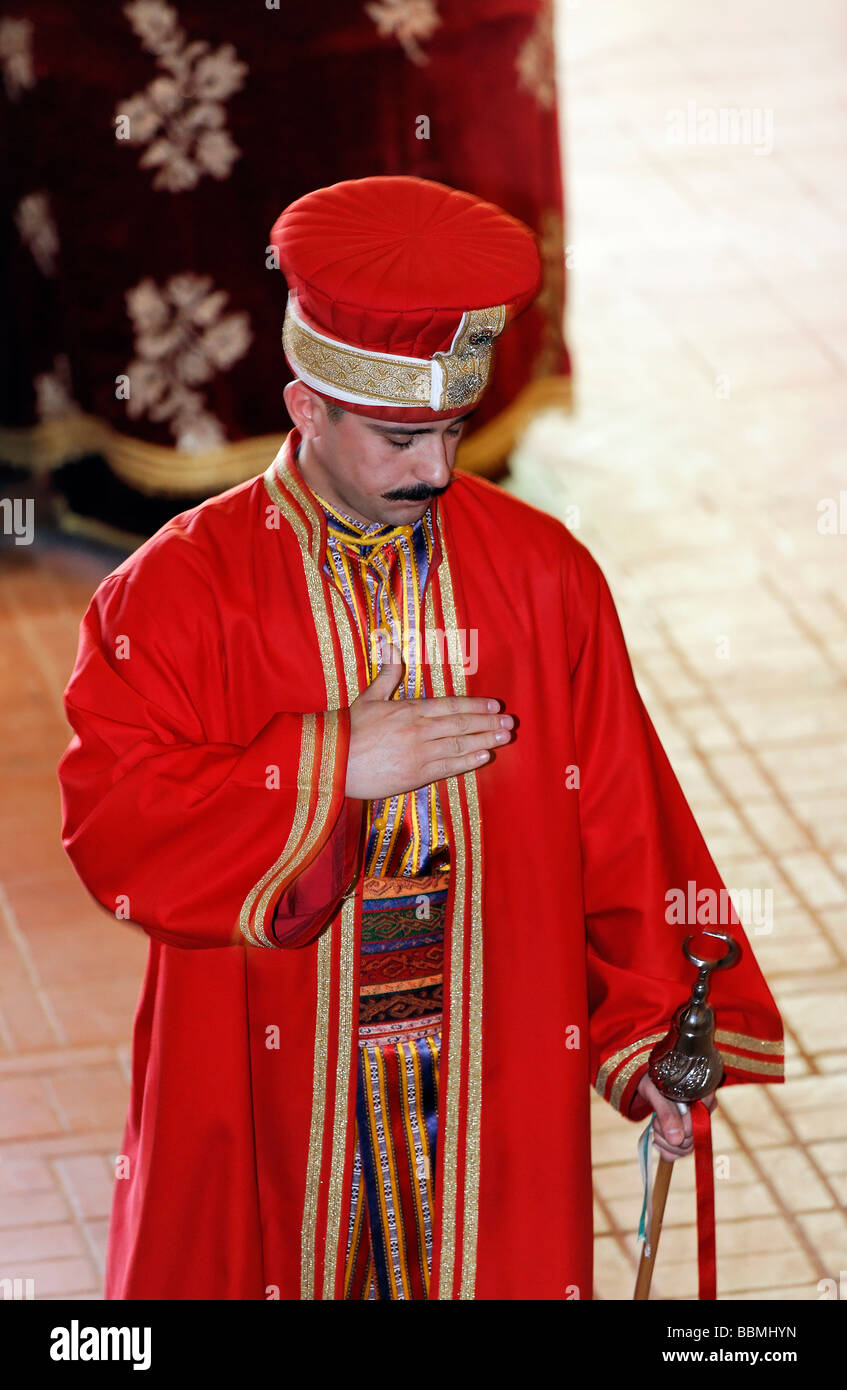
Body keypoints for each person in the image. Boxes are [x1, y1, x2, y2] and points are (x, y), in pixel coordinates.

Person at [58, 175, 783, 1301]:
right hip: (269, 1072)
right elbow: (113, 830)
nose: (437, 471)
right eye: (401, 437)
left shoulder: (545, 577)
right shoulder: (178, 593)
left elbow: (623, 830)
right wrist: (332, 764)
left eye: (451, 429)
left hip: (487, 1071)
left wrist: (648, 1049)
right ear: (307, 410)